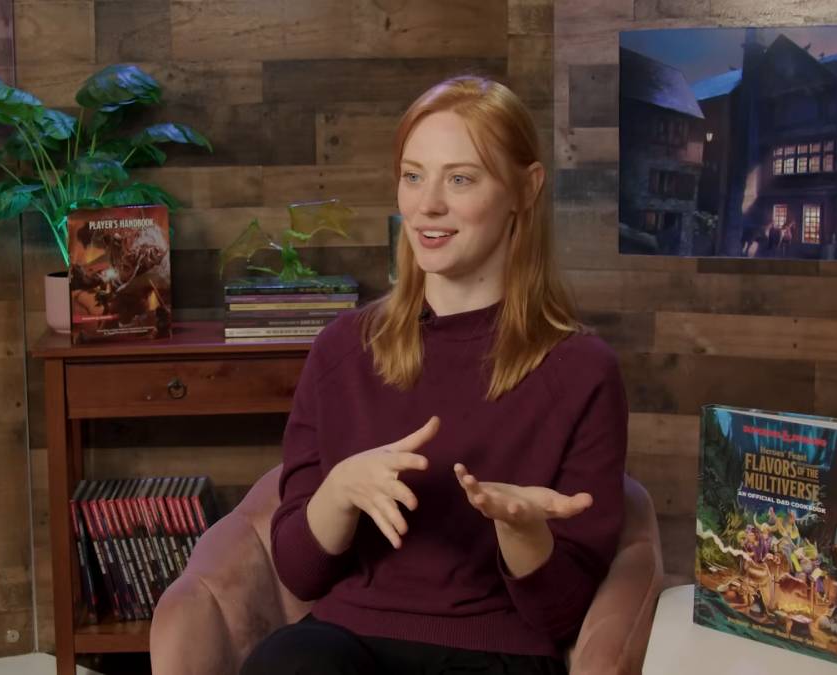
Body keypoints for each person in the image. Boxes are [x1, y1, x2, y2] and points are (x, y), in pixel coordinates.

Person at [241, 76, 628, 675]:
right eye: (414, 175)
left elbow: (563, 615)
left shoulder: (582, 371)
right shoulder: (342, 349)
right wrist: (340, 490)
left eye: (461, 178)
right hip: (348, 638)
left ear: (525, 189)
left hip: (498, 650)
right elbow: (299, 571)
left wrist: (524, 532)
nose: (428, 205)